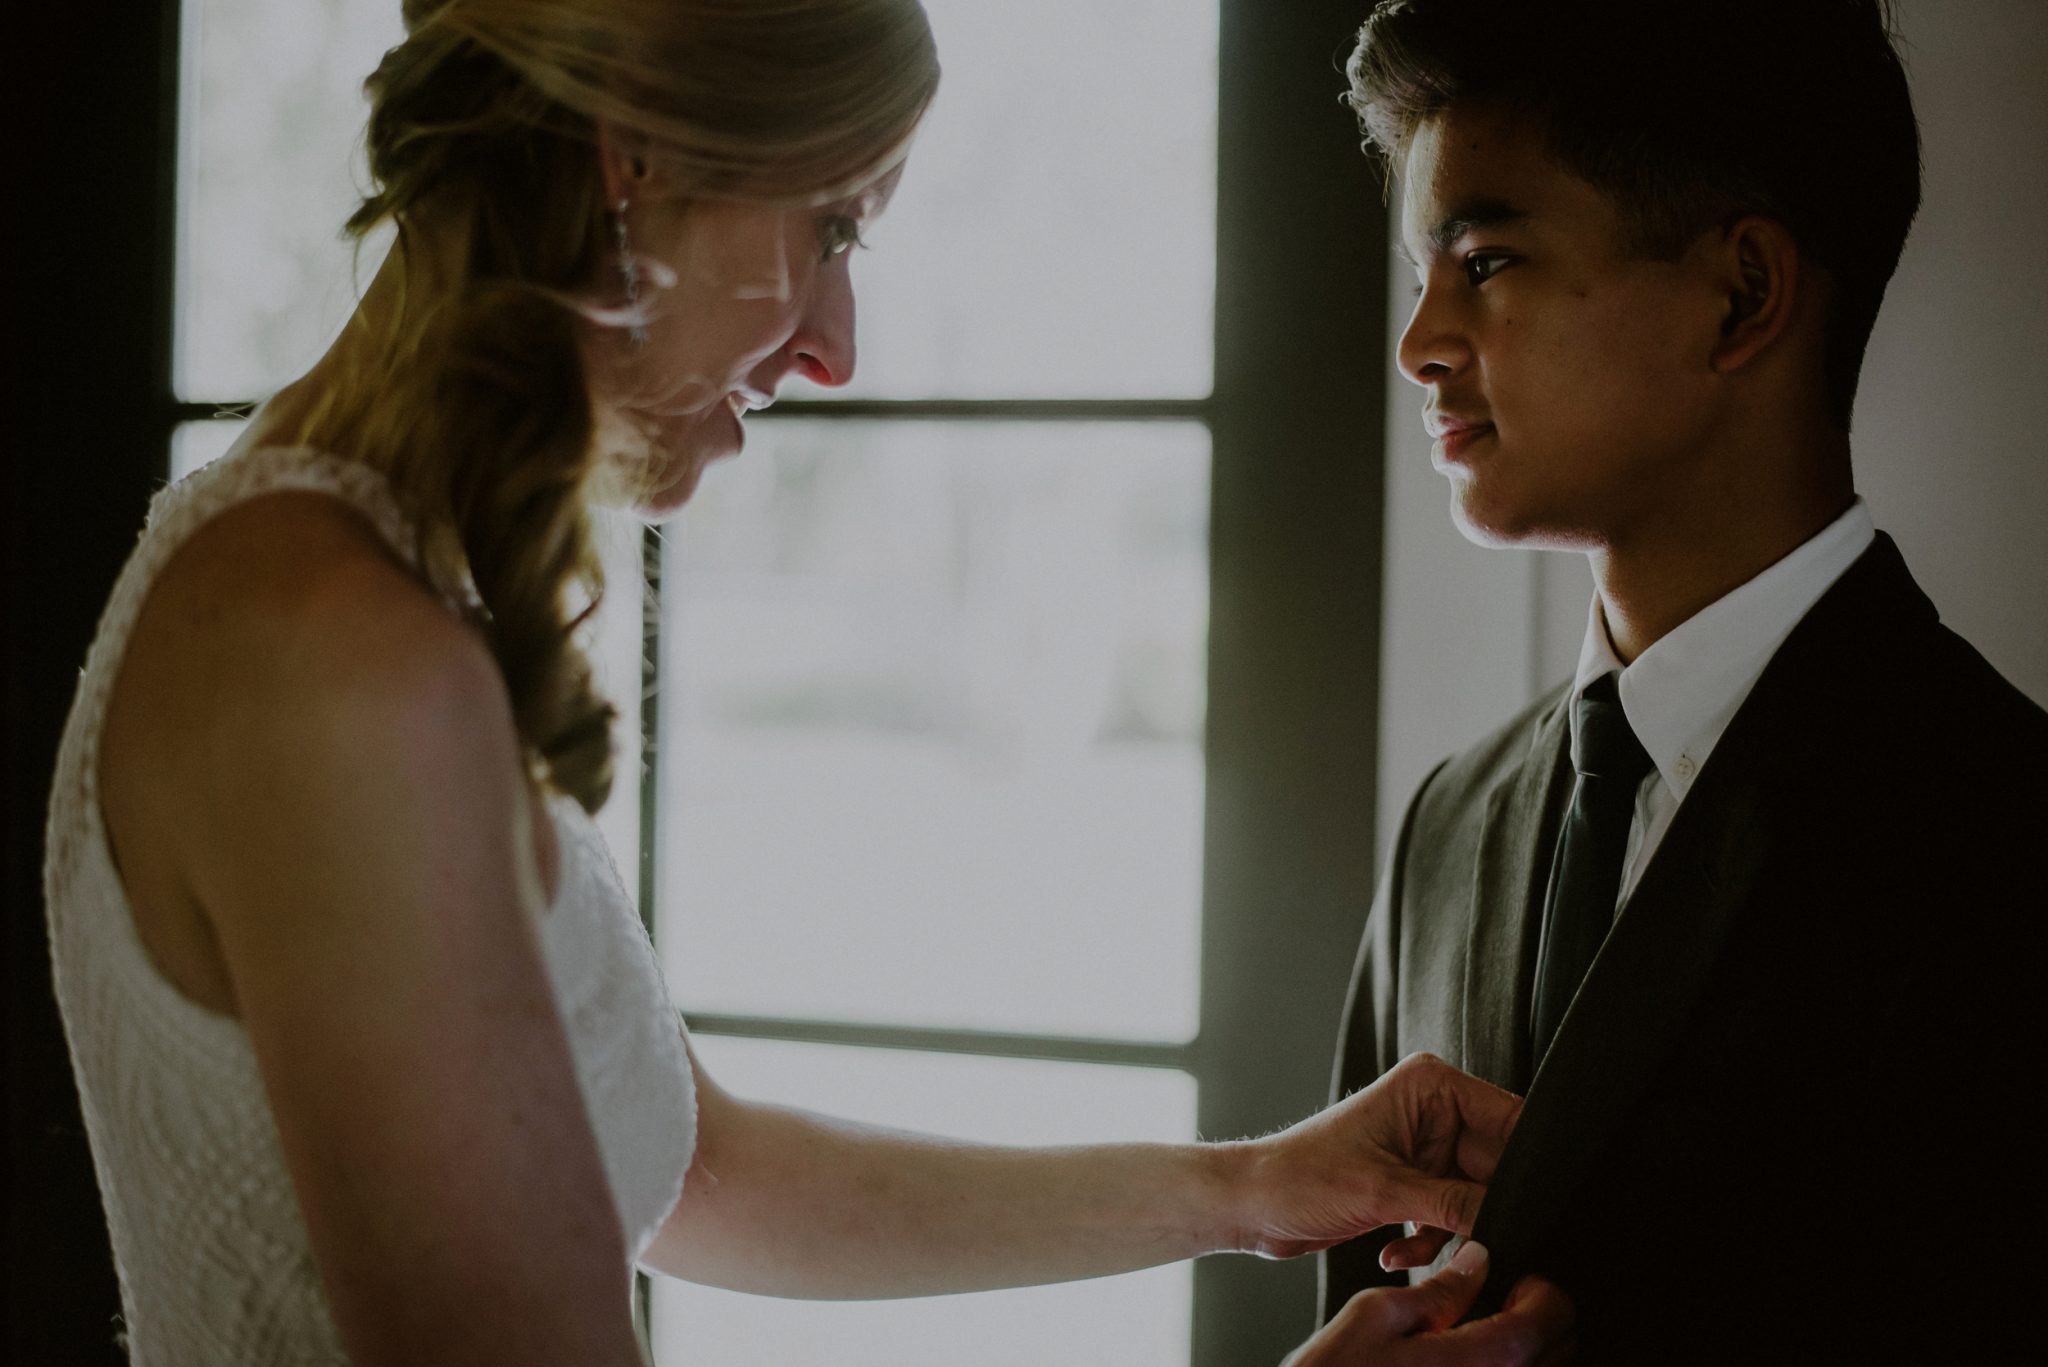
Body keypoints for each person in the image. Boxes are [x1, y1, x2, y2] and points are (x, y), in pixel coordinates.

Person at [43, 1, 1576, 1362]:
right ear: (627, 164)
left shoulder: (356, 577)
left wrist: (1249, 1190)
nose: (836, 347)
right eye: (835, 227)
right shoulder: (344, 666)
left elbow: (691, 1166)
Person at [1321, 0, 2048, 1360]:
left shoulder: (2006, 834)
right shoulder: (1447, 827)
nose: (1420, 339)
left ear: (1744, 294)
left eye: (1484, 260)